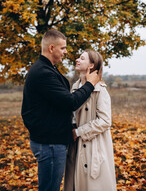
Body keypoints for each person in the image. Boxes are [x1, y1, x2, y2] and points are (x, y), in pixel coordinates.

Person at [21, 29, 100, 191]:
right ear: (51, 48)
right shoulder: (43, 72)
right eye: (63, 48)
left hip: (50, 140)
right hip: (49, 144)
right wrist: (90, 84)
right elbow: (70, 102)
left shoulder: (48, 68)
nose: (66, 52)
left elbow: (55, 104)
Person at [64, 49, 117, 191]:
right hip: (74, 145)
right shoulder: (74, 88)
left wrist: (79, 132)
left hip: (92, 146)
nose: (77, 60)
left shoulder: (100, 90)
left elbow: (105, 121)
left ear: (91, 65)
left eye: (82, 58)